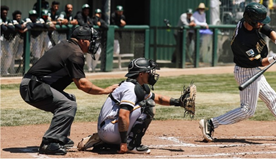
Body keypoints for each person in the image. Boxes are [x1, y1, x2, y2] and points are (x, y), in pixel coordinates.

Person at [199, 2, 276, 143]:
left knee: (273, 98)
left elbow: (268, 30)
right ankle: (211, 123)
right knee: (247, 110)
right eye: (259, 22)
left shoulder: (247, 22)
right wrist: (274, 58)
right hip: (246, 72)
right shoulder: (243, 40)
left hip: (252, 70)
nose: (261, 24)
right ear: (251, 20)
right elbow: (258, 62)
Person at [19, 26, 119, 155]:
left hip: (34, 85)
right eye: (91, 40)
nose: (93, 43)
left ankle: (61, 137)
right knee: (67, 105)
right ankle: (50, 142)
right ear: (83, 40)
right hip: (33, 87)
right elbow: (82, 84)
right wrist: (105, 90)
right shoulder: (75, 53)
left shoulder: (67, 46)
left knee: (70, 99)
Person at [77, 57, 189, 154]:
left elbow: (157, 98)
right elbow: (122, 115)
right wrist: (124, 143)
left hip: (108, 128)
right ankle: (132, 145)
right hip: (109, 130)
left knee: (148, 102)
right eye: (149, 71)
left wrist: (178, 102)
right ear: (141, 74)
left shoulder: (137, 86)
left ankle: (105, 141)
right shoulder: (130, 89)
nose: (151, 74)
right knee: (147, 106)